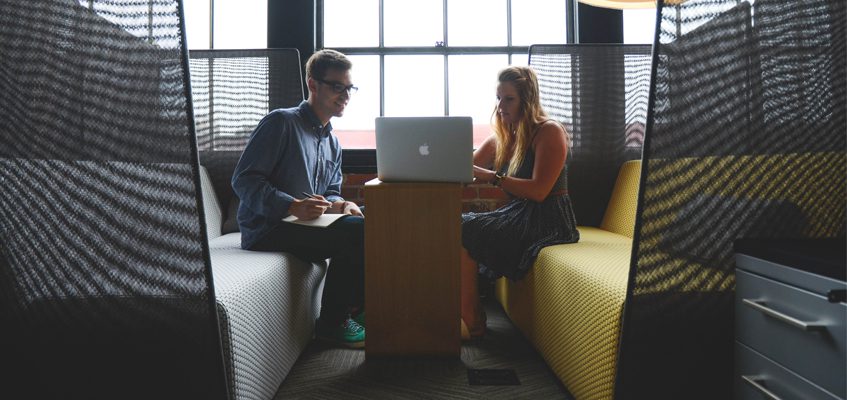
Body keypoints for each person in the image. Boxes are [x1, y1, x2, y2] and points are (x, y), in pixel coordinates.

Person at [231, 49, 366, 348]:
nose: (345, 95)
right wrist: (292, 206)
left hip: (307, 225)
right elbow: (244, 180)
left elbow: (331, 190)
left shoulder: (332, 141)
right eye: (337, 86)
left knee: (374, 217)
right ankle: (332, 325)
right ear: (313, 85)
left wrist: (342, 204)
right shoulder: (280, 123)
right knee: (360, 232)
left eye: (349, 88)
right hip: (269, 228)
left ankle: (359, 308)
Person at [460, 66, 580, 338]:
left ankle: (472, 319)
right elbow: (465, 170)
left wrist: (493, 177)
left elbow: (539, 191)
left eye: (508, 99)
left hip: (549, 218)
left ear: (527, 100)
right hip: (519, 213)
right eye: (498, 98)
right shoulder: (503, 136)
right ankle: (470, 313)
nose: (500, 106)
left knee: (465, 229)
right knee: (459, 225)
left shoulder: (549, 131)